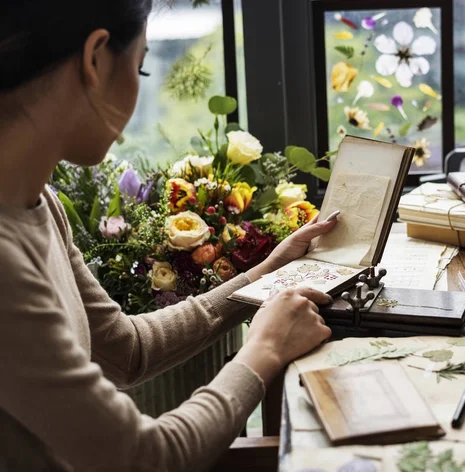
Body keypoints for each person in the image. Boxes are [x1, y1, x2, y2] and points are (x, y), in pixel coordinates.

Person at [0, 1, 337, 471]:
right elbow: (143, 457)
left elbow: (126, 349)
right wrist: (264, 351)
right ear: (95, 58)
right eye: (140, 68)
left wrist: (267, 274)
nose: (138, 87)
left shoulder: (40, 203)